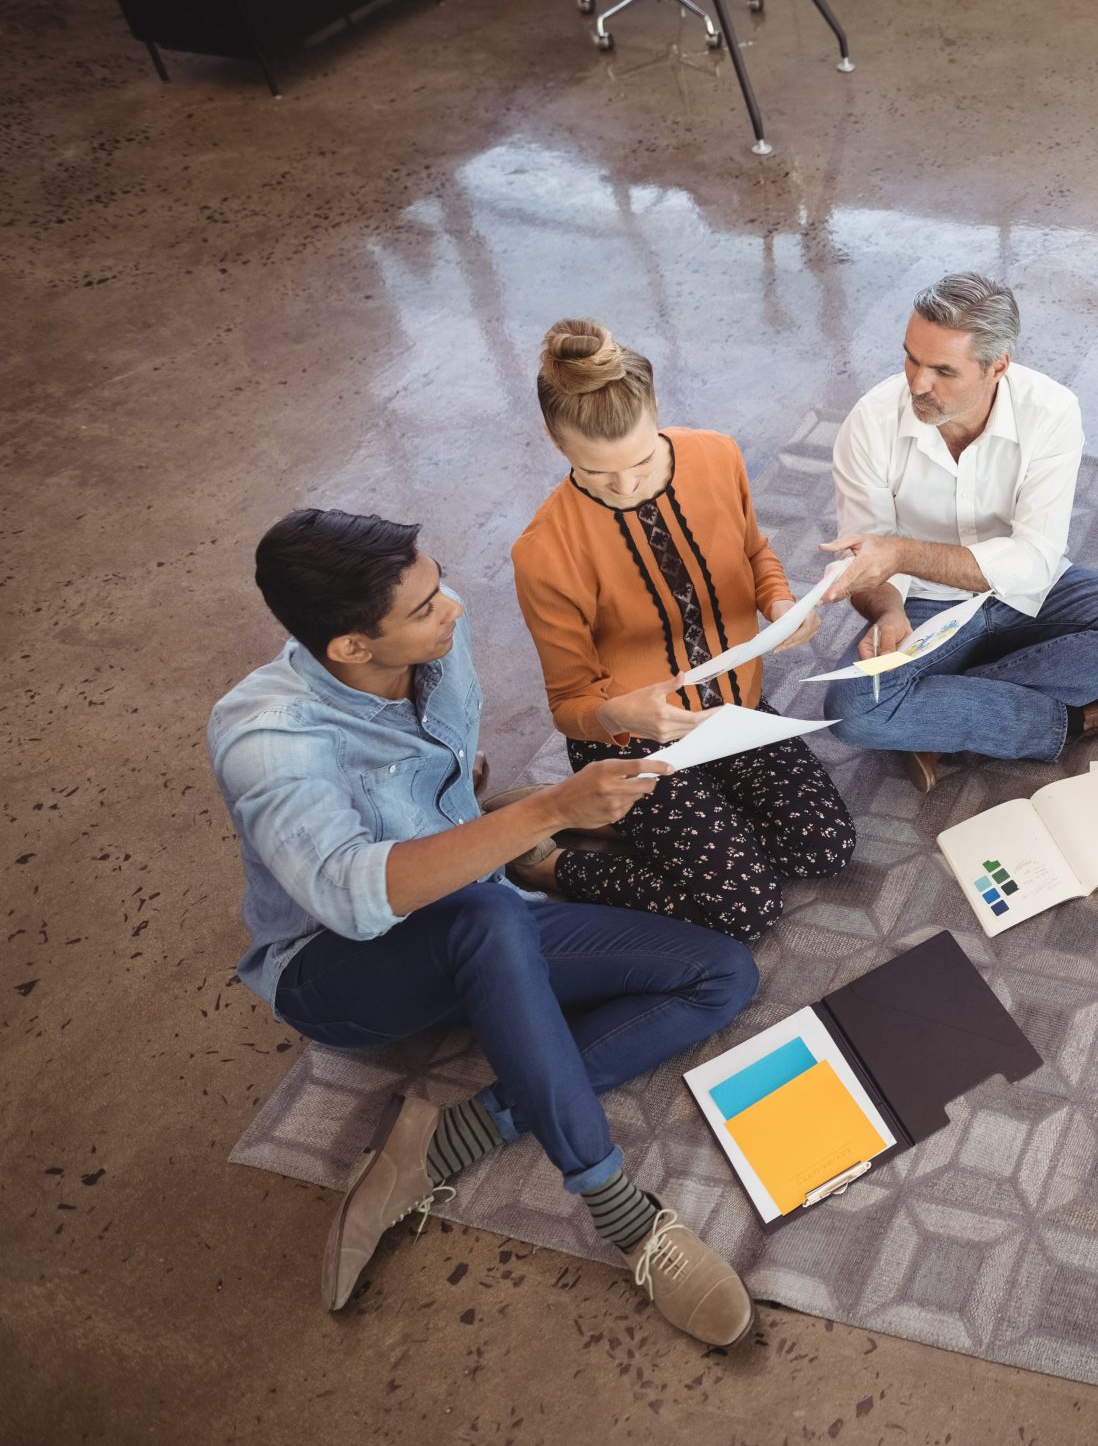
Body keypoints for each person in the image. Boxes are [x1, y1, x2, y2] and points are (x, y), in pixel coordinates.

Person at [208, 509, 760, 1344]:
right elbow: (352, 898)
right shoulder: (268, 740)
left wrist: (464, 797)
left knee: (722, 972)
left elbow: (443, 760)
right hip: (339, 971)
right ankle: (627, 1214)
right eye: (425, 606)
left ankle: (452, 1136)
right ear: (351, 646)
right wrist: (547, 810)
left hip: (479, 908)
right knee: (490, 913)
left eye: (438, 586)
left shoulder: (434, 639)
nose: (456, 607)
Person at [511, 319, 857, 940]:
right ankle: (554, 864)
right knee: (747, 909)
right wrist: (618, 714)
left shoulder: (716, 455)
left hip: (735, 712)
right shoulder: (543, 552)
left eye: (641, 460)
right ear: (554, 440)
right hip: (632, 747)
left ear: (657, 412)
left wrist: (780, 602)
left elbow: (753, 551)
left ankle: (618, 821)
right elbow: (569, 704)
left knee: (824, 847)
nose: (625, 485)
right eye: (596, 472)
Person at [820, 272, 1098, 794]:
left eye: (943, 370)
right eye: (911, 359)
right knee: (852, 711)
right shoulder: (871, 422)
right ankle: (1081, 719)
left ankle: (937, 716)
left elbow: (1034, 562)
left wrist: (901, 553)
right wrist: (886, 609)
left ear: (998, 366)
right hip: (924, 603)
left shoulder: (1051, 410)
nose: (917, 383)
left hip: (1029, 590)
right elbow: (867, 558)